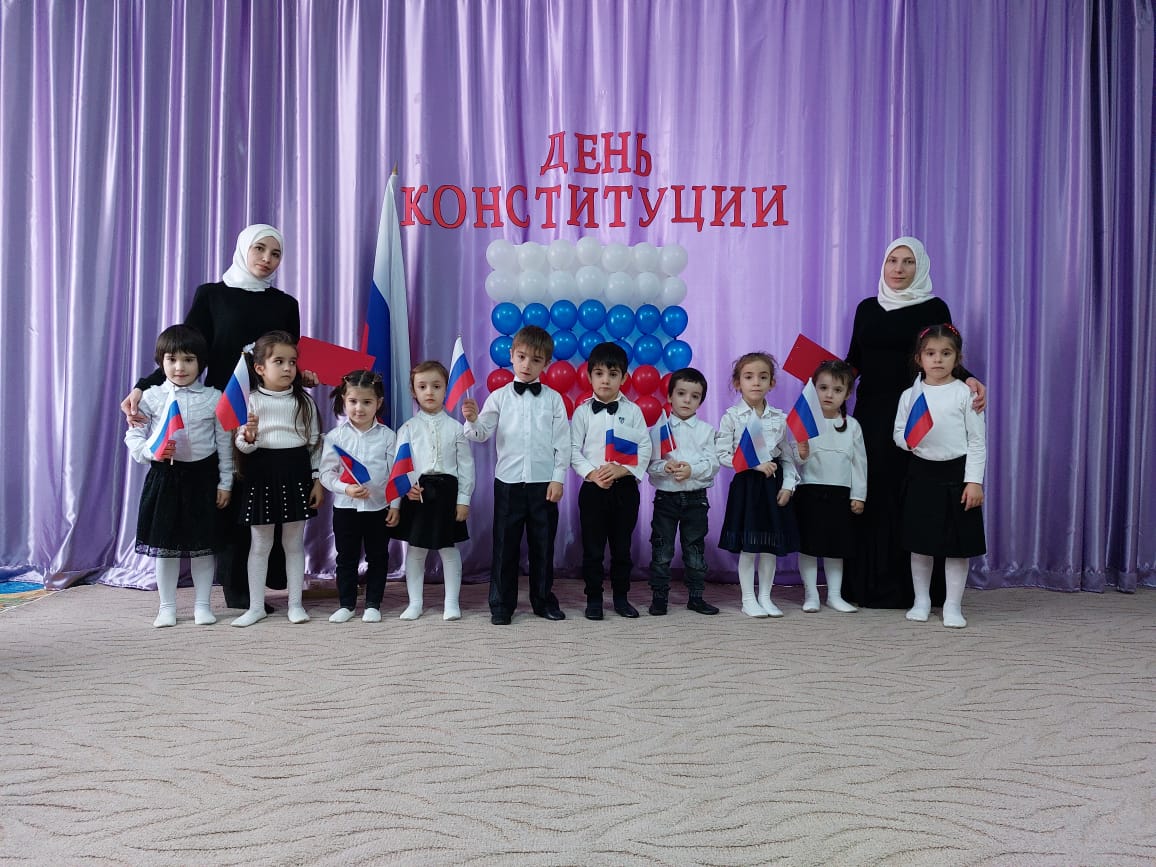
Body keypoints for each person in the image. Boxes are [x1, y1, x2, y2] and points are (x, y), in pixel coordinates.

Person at [121, 223, 314, 611]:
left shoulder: (286, 303)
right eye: (259, 249)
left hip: (271, 409)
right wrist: (143, 385)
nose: (266, 259)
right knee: (237, 497)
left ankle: (270, 580)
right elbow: (188, 348)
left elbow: (290, 356)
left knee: (269, 493)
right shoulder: (212, 295)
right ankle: (237, 590)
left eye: (275, 253)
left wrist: (304, 374)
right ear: (243, 249)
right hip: (224, 408)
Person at [844, 236, 985, 608]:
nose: (899, 269)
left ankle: (919, 593)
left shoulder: (934, 306)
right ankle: (867, 587)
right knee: (872, 493)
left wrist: (970, 378)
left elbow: (942, 354)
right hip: (872, 414)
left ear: (920, 266)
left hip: (919, 411)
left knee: (914, 498)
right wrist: (825, 384)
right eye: (893, 260)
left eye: (908, 262)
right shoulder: (866, 308)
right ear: (883, 265)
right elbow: (854, 360)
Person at [124, 325, 233, 627]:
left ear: (201, 363)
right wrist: (151, 451)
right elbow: (134, 435)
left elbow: (224, 444)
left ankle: (203, 606)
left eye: (188, 360)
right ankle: (167, 607)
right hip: (166, 480)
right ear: (161, 362)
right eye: (172, 359)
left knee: (203, 548)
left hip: (203, 479)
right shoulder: (150, 397)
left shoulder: (214, 398)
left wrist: (225, 483)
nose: (180, 367)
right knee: (166, 549)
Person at [462, 325, 569, 625]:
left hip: (543, 484)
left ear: (546, 363)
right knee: (504, 546)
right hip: (508, 483)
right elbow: (480, 434)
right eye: (521, 357)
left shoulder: (554, 400)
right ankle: (501, 604)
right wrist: (472, 420)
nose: (526, 365)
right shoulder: (498, 397)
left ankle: (543, 600)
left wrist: (558, 477)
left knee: (543, 546)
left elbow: (562, 442)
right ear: (511, 355)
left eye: (535, 360)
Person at [893, 324, 986, 628]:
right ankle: (921, 601)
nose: (937, 359)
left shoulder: (966, 394)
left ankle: (952, 605)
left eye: (946, 353)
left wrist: (974, 481)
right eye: (930, 353)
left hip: (956, 475)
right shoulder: (910, 395)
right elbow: (899, 432)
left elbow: (976, 442)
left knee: (957, 547)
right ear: (919, 358)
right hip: (921, 473)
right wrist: (907, 442)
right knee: (921, 544)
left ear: (957, 358)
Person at [230, 332, 323, 627]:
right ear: (259, 368)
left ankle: (295, 604)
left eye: (292, 362)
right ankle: (256, 606)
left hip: (296, 471)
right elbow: (242, 445)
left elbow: (315, 443)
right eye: (279, 361)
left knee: (293, 543)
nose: (287, 368)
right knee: (260, 543)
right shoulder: (250, 401)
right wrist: (249, 437)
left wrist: (317, 479)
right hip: (261, 472)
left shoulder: (304, 402)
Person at [570, 342, 652, 620]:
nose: (605, 380)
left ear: (624, 378)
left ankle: (621, 597)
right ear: (589, 376)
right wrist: (592, 474)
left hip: (624, 489)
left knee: (622, 548)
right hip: (593, 489)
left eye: (613, 374)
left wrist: (623, 470)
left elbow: (645, 447)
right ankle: (593, 598)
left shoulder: (634, 411)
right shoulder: (582, 412)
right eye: (599, 373)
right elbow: (572, 450)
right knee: (592, 549)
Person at [716, 351, 800, 618]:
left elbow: (787, 457)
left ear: (771, 383)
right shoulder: (732, 416)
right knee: (749, 546)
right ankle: (748, 598)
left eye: (763, 377)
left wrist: (788, 485)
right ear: (737, 382)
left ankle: (765, 596)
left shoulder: (780, 418)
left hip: (772, 487)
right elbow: (722, 454)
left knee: (769, 546)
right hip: (747, 487)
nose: (756, 382)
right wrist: (752, 463)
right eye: (749, 377)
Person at [388, 361, 474, 622]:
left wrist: (463, 500)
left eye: (436, 386)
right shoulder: (407, 429)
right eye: (422, 387)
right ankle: (415, 603)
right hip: (418, 493)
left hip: (447, 494)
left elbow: (466, 467)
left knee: (448, 549)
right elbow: (399, 466)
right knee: (416, 550)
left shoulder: (457, 428)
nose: (429, 392)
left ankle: (451, 603)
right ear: (413, 391)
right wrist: (400, 499)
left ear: (446, 389)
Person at [318, 370, 396, 623]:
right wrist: (345, 488)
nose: (359, 408)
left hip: (378, 508)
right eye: (353, 401)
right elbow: (326, 474)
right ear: (344, 399)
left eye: (367, 402)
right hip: (346, 508)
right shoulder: (335, 437)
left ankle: (373, 603)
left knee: (378, 556)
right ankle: (347, 604)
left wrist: (395, 505)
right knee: (346, 557)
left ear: (378, 403)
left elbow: (395, 475)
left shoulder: (388, 436)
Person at [646, 367, 721, 616]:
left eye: (694, 396)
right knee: (661, 549)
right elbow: (649, 466)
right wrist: (664, 467)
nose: (687, 400)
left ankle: (696, 597)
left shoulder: (707, 431)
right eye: (681, 393)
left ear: (701, 400)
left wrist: (692, 470)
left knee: (695, 549)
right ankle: (659, 597)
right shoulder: (659, 430)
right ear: (670, 396)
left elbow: (712, 464)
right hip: (666, 498)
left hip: (696, 500)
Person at [793, 360, 866, 613]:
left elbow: (859, 463)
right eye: (823, 388)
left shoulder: (852, 426)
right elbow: (794, 460)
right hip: (809, 492)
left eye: (837, 390)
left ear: (847, 394)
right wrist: (801, 452)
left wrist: (859, 495)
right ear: (813, 389)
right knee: (809, 547)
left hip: (840, 495)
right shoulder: (804, 423)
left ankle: (834, 595)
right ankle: (811, 594)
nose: (829, 394)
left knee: (836, 547)